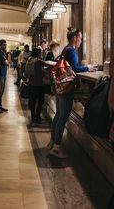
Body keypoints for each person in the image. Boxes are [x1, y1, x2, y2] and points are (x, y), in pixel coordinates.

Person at [48, 27, 97, 158]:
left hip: (60, 86)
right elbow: (75, 68)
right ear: (75, 37)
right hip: (67, 87)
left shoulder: (65, 49)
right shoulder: (72, 51)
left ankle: (53, 141)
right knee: (63, 116)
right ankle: (56, 147)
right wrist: (88, 68)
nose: (81, 41)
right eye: (80, 38)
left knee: (58, 115)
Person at [28, 48, 50, 124]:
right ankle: (37, 117)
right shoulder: (38, 61)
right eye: (40, 53)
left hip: (31, 83)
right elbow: (47, 64)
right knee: (40, 100)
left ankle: (33, 117)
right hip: (38, 84)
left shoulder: (30, 59)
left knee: (33, 100)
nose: (41, 54)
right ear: (38, 54)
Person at [0, 40, 8, 113]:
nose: (5, 46)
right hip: (0, 74)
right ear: (0, 45)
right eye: (3, 45)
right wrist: (8, 57)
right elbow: (6, 62)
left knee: (2, 91)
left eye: (5, 45)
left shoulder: (3, 53)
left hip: (3, 73)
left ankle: (0, 105)